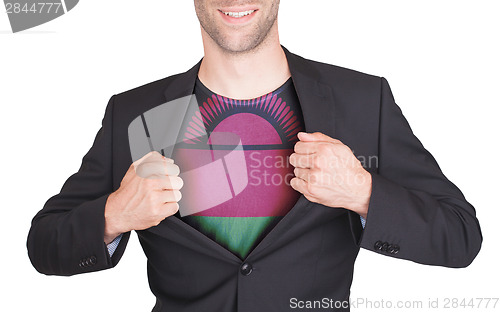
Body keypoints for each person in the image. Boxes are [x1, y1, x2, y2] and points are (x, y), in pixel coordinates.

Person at [27, 1, 482, 311]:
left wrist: (363, 192)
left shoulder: (362, 101)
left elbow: (460, 236)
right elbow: (44, 245)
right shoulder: (135, 113)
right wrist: (114, 214)